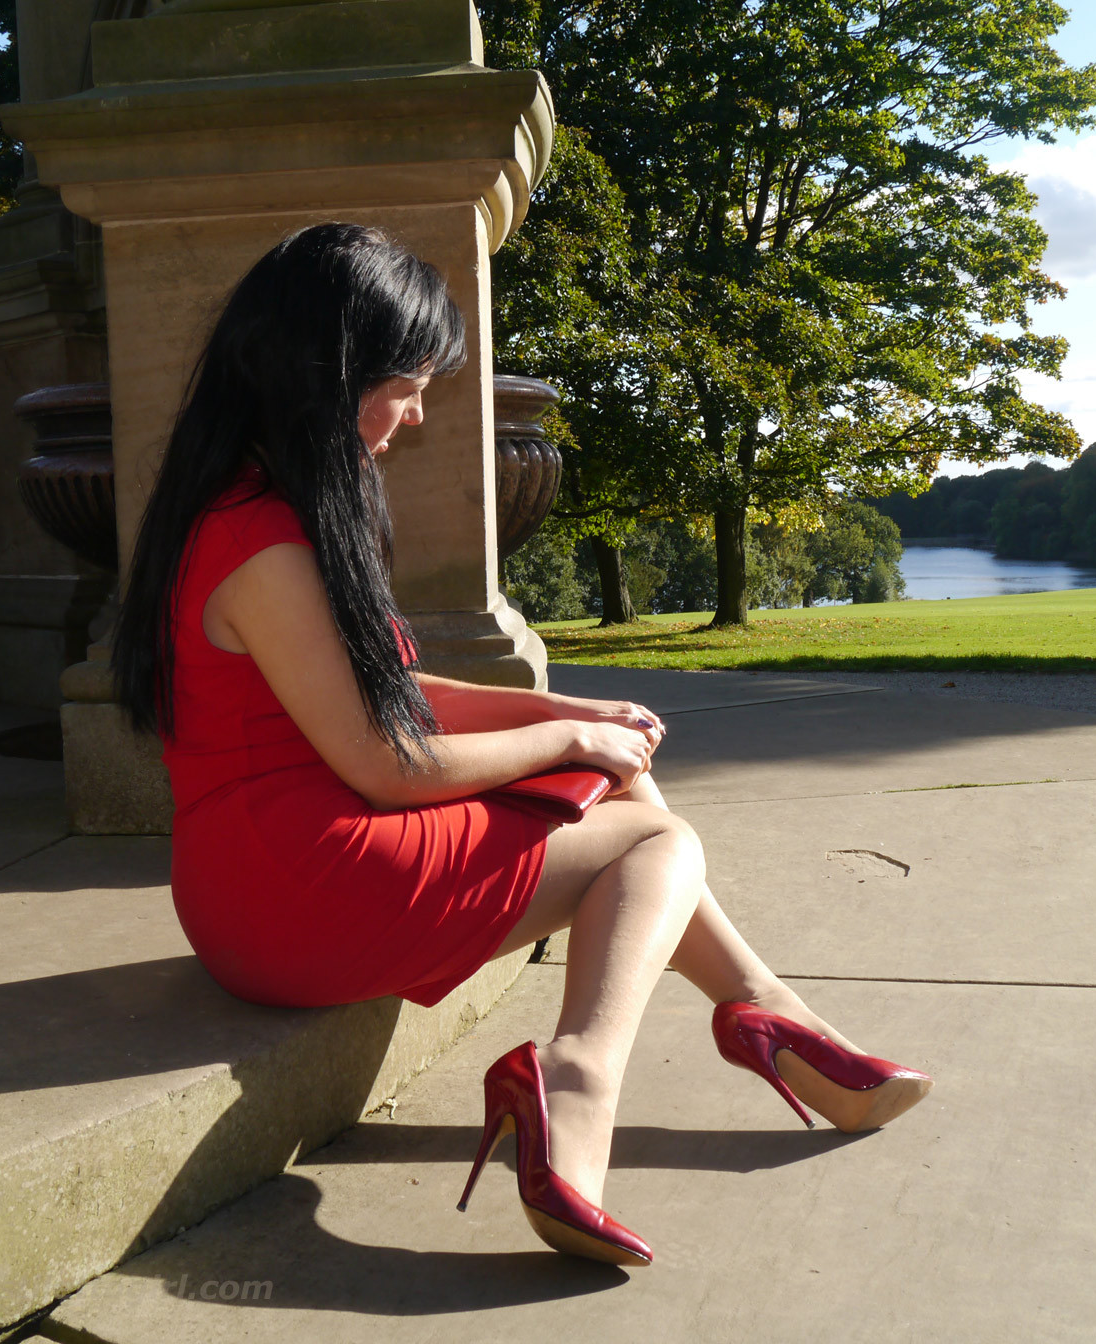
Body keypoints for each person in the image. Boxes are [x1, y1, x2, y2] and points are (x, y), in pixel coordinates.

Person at [112, 222, 933, 1270]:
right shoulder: (263, 536)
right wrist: (569, 735)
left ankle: (768, 1017)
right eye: (405, 384)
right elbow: (387, 762)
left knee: (625, 785)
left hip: (260, 872)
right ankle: (588, 1074)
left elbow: (389, 692)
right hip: (293, 888)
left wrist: (581, 716)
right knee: (652, 844)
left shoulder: (249, 507)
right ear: (322, 371)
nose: (413, 416)